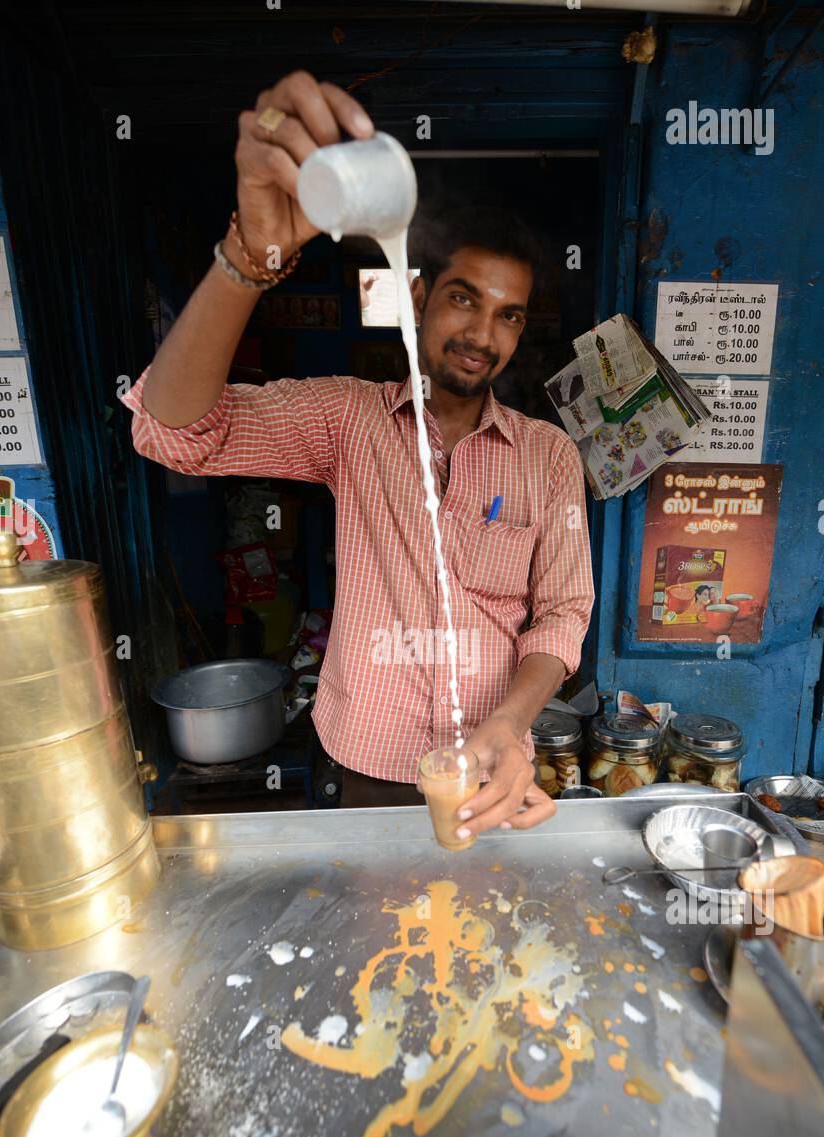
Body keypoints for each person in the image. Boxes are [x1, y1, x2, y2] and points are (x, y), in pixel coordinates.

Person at [124, 71, 594, 842]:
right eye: (463, 298)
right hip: (366, 767)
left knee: (482, 946)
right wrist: (249, 258)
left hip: (491, 766)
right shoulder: (349, 419)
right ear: (417, 298)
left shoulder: (546, 457)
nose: (483, 334)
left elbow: (562, 613)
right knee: (373, 953)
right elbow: (173, 431)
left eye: (507, 315)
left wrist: (512, 724)